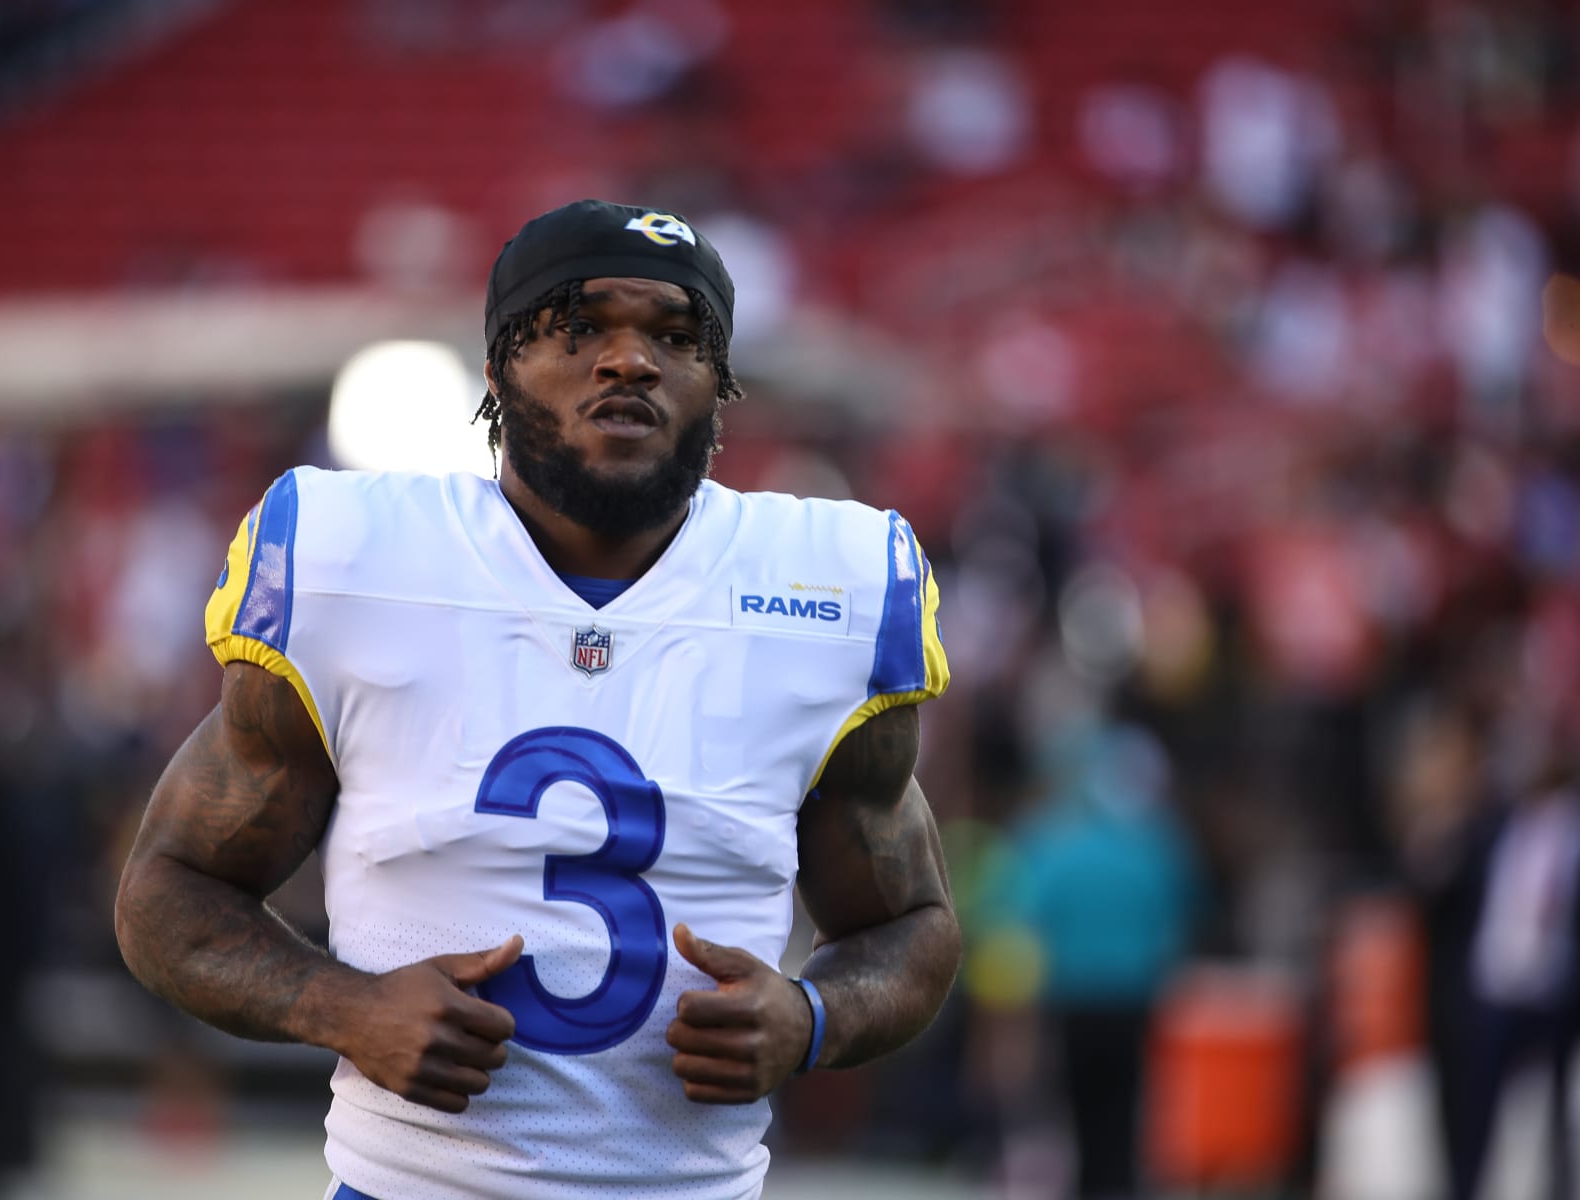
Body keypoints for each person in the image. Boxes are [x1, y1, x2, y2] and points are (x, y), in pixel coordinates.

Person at [114, 198, 960, 1199]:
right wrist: (340, 1007)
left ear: (719, 386)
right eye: (579, 327)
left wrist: (811, 1019)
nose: (630, 361)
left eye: (677, 337)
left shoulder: (831, 585)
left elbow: (913, 925)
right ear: (496, 369)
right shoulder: (357, 558)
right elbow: (167, 890)